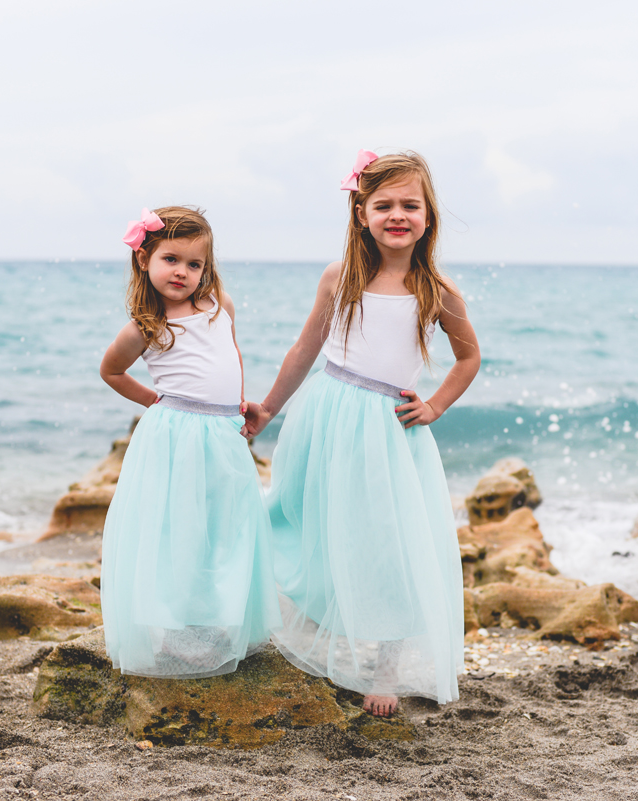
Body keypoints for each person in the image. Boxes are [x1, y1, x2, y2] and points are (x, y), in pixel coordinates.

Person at [242, 151, 480, 716]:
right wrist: (269, 410)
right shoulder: (340, 276)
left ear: (428, 215)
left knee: (391, 543)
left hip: (391, 429)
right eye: (384, 205)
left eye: (410, 205)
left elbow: (468, 360)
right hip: (327, 416)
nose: (397, 214)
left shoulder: (437, 288)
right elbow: (305, 350)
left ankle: (386, 667)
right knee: (309, 517)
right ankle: (299, 629)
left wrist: (437, 406)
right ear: (361, 213)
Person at [99, 205, 279, 678]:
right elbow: (111, 371)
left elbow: (230, 356)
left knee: (226, 525)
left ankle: (220, 622)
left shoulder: (219, 305)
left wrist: (239, 404)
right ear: (145, 260)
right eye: (171, 259)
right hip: (176, 436)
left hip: (223, 434)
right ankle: (176, 629)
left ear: (207, 269)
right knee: (181, 530)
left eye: (194, 264)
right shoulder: (147, 325)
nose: (182, 271)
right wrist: (156, 402)